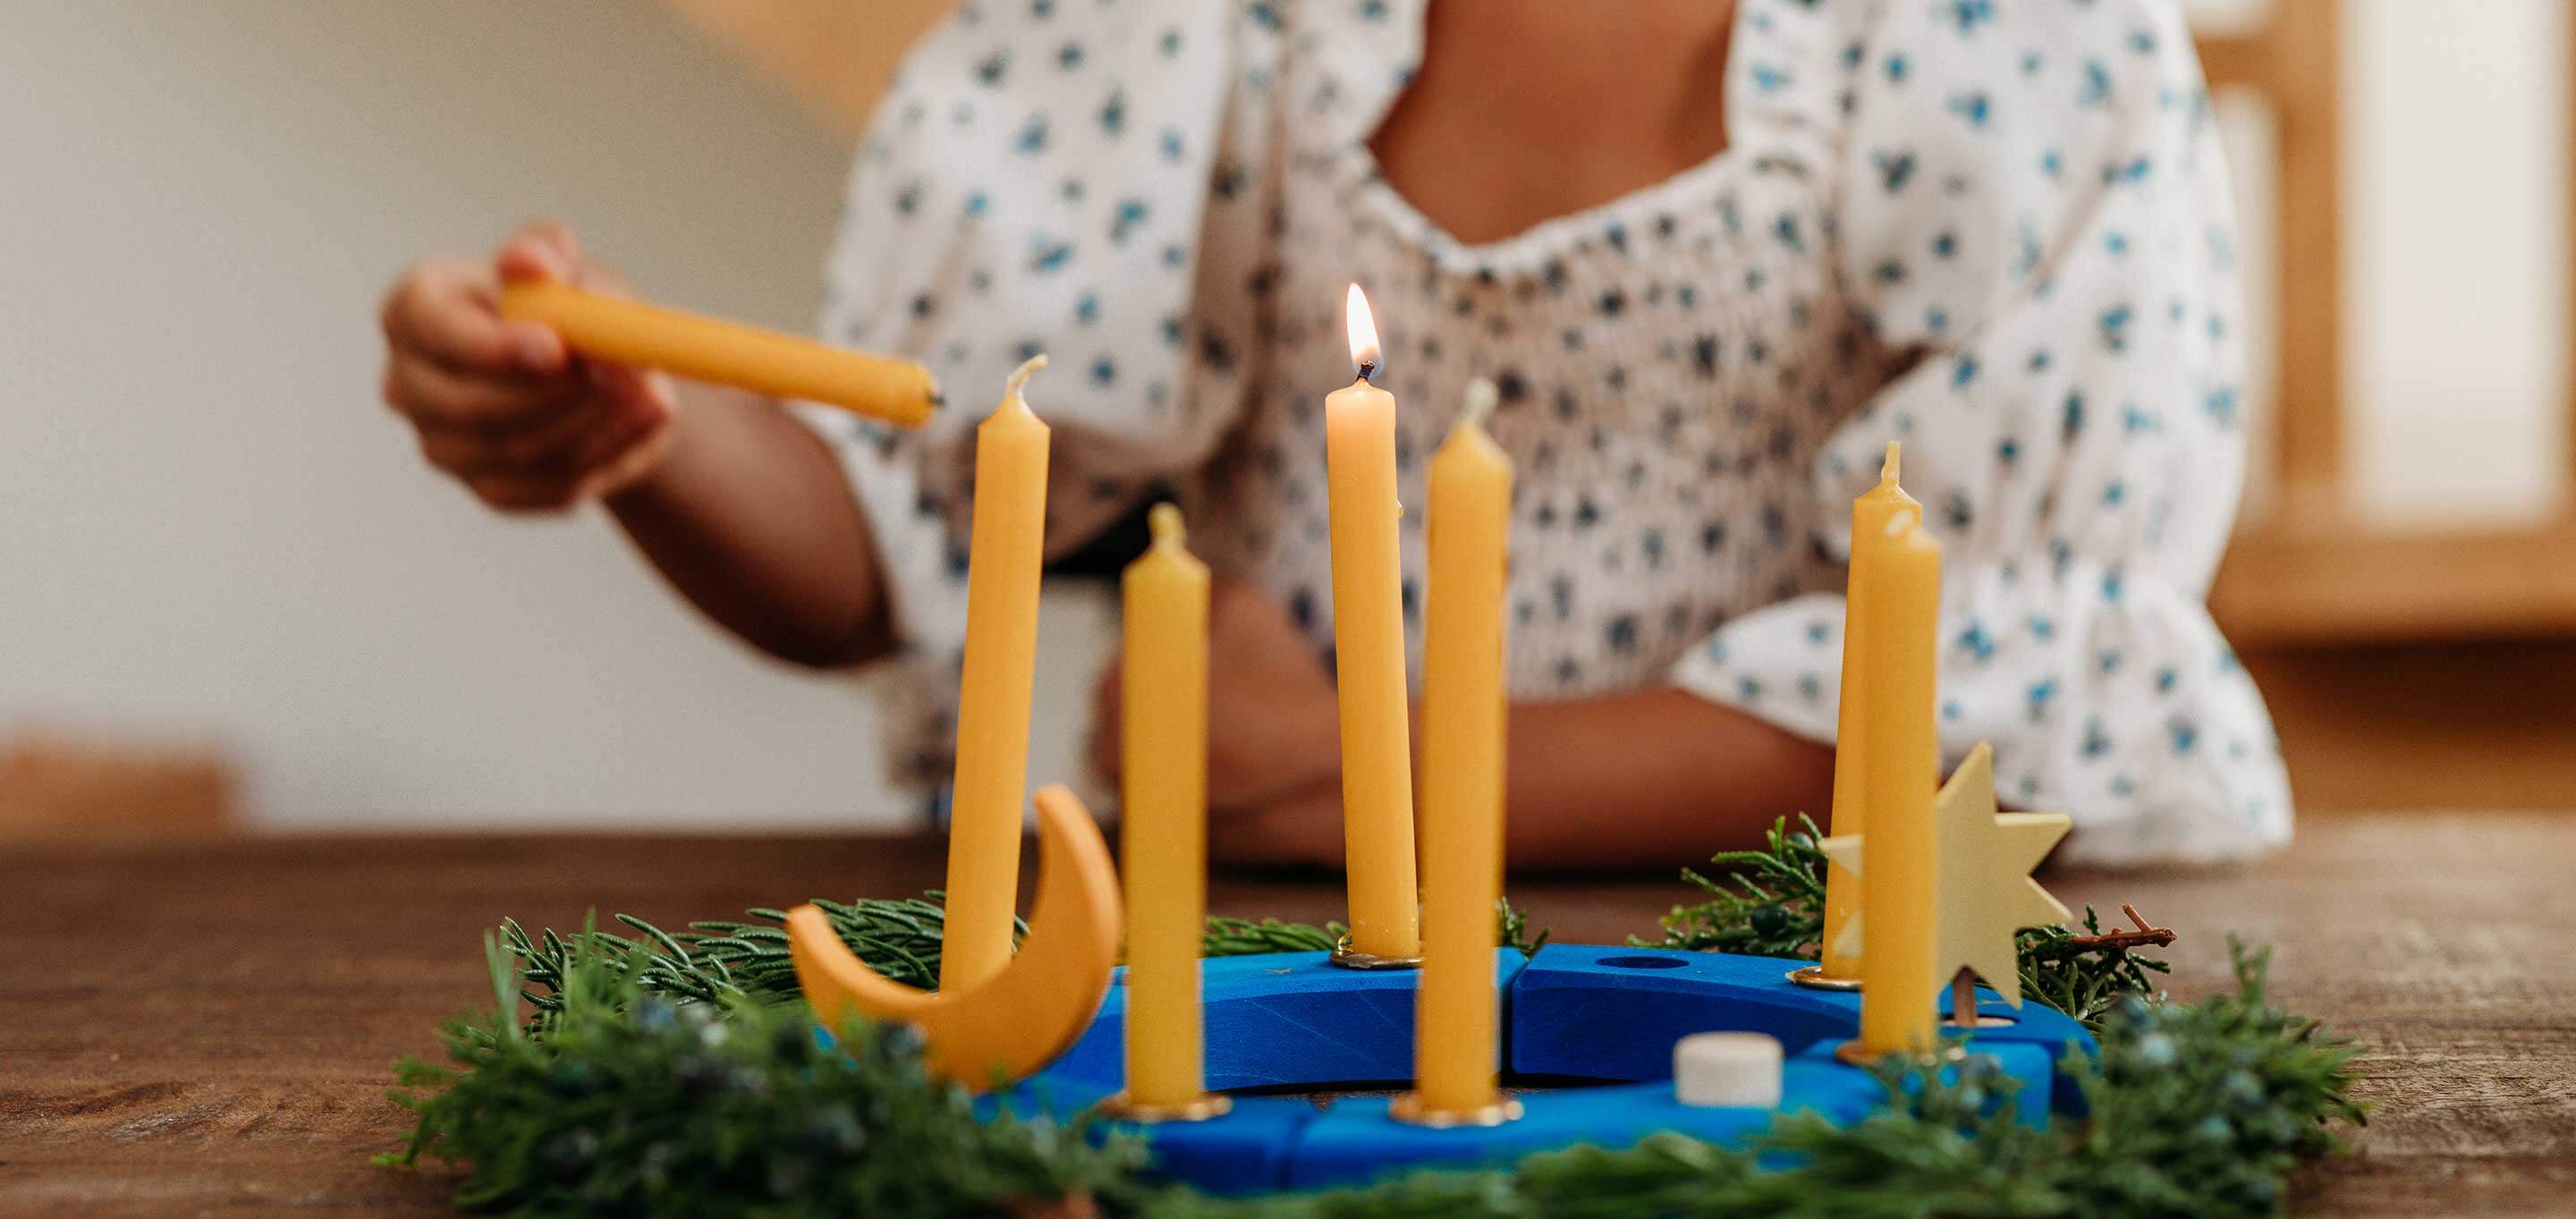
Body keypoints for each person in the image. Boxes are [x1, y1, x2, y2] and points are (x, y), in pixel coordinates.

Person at [379, 0, 2289, 870]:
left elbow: (2036, 654)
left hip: (1790, 1012)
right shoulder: (1207, 30)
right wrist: (649, 428)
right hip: (1282, 1009)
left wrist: (1355, 779)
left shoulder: (1994, 42)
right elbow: (893, 523)